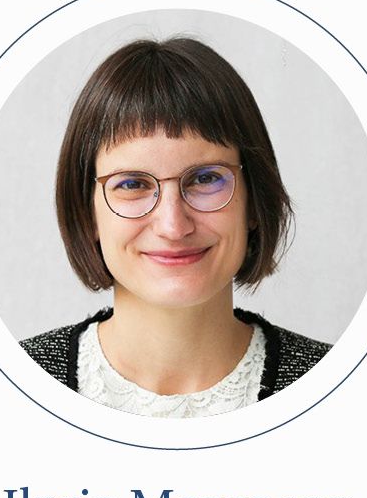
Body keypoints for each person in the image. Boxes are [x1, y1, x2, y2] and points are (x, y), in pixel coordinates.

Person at [20, 37, 330, 418]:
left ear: (254, 202)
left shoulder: (339, 385)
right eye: (132, 184)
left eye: (204, 179)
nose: (172, 225)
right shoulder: (7, 384)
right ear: (88, 215)